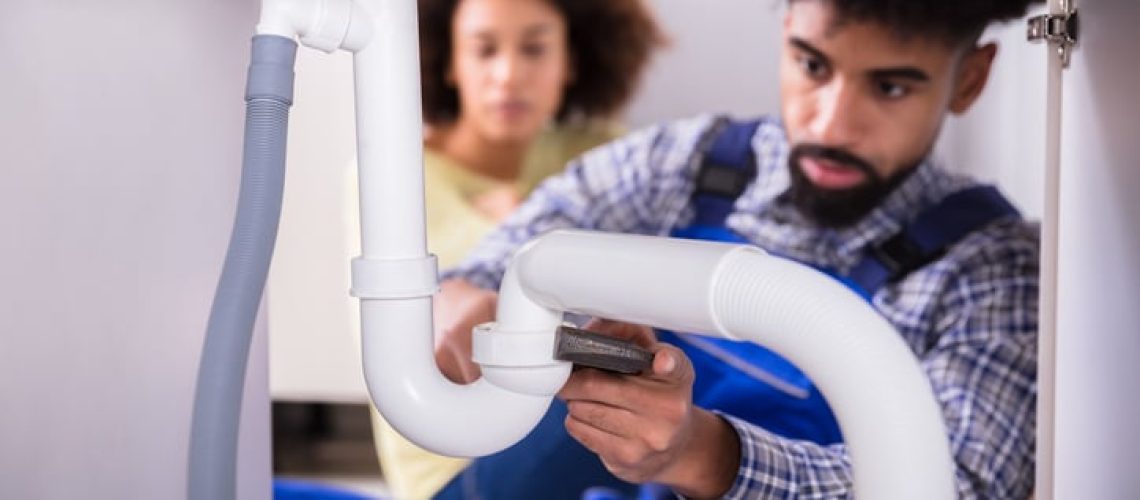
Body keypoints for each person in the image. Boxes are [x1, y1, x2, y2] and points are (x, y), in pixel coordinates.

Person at [431, 0, 1043, 498]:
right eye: (812, 66)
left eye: (888, 88)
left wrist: (700, 451)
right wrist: (464, 305)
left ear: (969, 79)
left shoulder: (989, 272)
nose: (831, 124)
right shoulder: (690, 165)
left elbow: (958, 486)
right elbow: (486, 268)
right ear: (786, 34)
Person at [365, 0, 666, 498]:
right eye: (484, 51)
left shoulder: (605, 153)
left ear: (570, 60)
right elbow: (456, 316)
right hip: (456, 470)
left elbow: (646, 285)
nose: (507, 76)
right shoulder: (394, 171)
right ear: (449, 61)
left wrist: (518, 217)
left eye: (534, 49)